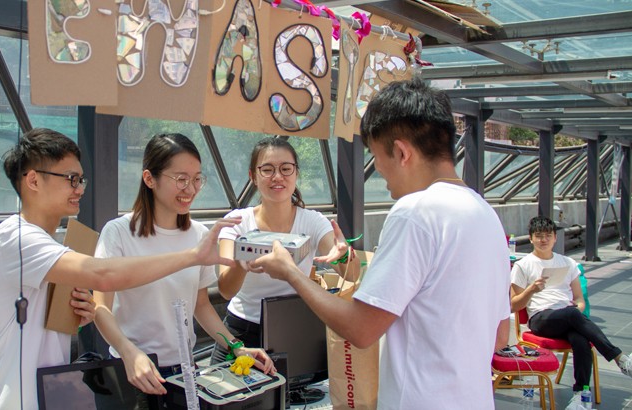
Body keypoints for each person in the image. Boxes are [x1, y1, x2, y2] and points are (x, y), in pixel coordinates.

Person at [248, 78, 512, 409]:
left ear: (401, 152)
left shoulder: (415, 212)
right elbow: (501, 336)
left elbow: (360, 329)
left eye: (375, 157)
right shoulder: (485, 214)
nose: (380, 174)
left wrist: (290, 272)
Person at [0, 128, 240, 410]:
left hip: (49, 395)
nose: (79, 189)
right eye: (70, 179)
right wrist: (193, 256)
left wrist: (83, 313)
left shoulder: (48, 245)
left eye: (80, 179)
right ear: (34, 180)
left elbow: (61, 318)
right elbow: (104, 275)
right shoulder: (15, 238)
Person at [93, 133, 275, 398]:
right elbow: (100, 307)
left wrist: (236, 346)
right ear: (149, 179)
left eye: (197, 179)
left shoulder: (199, 234)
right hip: (131, 370)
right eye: (181, 179)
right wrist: (128, 351)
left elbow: (200, 305)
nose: (190, 189)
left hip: (183, 371)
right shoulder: (118, 232)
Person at [210, 136, 351, 362]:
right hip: (241, 332)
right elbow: (226, 289)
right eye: (267, 169)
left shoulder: (314, 222)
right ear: (252, 176)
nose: (278, 177)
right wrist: (242, 261)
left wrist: (344, 255)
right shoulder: (235, 222)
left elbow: (347, 270)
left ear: (296, 173)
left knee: (292, 397)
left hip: (294, 331)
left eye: (286, 168)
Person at [510, 216, 632, 408]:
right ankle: (619, 357)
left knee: (580, 339)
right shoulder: (522, 265)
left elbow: (579, 301)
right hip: (541, 318)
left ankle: (581, 395)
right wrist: (531, 290)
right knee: (573, 315)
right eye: (539, 236)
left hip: (567, 317)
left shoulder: (567, 263)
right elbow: (514, 305)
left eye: (548, 236)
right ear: (531, 238)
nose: (544, 240)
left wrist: (578, 309)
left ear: (555, 238)